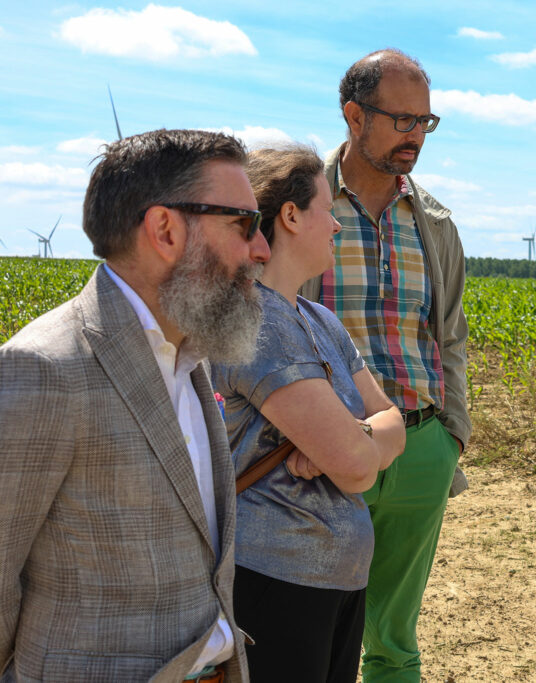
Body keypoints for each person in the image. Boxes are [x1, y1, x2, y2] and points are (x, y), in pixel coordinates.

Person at [0, 129, 270, 681]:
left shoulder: (190, 359)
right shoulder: (45, 368)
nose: (261, 249)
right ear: (166, 229)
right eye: (244, 223)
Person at [298, 49, 471, 681]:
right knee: (313, 633)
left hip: (423, 446)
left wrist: (451, 436)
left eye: (426, 122)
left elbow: (448, 334)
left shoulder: (436, 223)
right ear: (353, 115)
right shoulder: (295, 208)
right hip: (317, 457)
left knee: (394, 643)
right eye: (402, 121)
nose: (416, 136)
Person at [211, 145, 406, 683]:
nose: (338, 226)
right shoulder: (257, 323)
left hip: (334, 583)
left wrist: (358, 434)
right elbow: (357, 468)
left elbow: (393, 421)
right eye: (327, 208)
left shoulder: (320, 319)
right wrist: (357, 446)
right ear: (291, 216)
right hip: (275, 583)